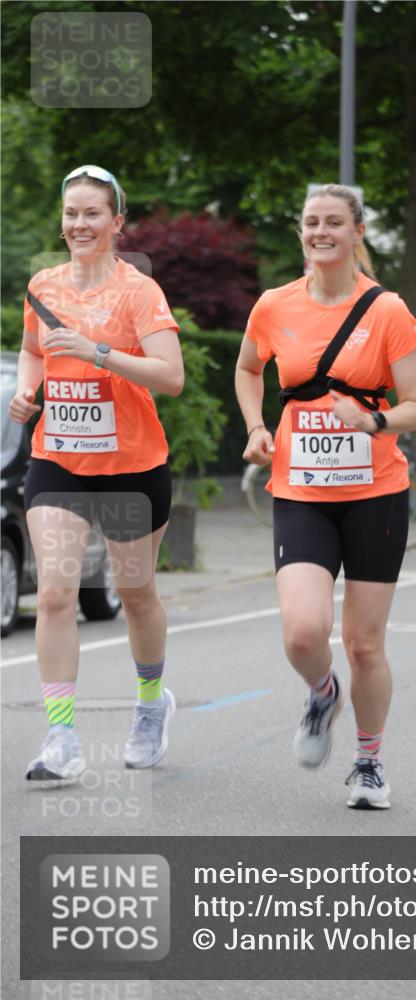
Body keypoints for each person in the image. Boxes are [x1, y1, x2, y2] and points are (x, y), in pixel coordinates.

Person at [235, 184, 416, 809]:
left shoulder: (388, 311)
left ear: (357, 232)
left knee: (365, 643)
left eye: (334, 223)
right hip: (301, 491)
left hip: (376, 493)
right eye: (311, 222)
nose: (321, 232)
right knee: (302, 633)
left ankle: (369, 764)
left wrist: (371, 423)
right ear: (301, 233)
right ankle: (322, 695)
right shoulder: (273, 305)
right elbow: (246, 369)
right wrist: (257, 426)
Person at [9, 165, 184, 782]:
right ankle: (61, 737)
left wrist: (99, 353)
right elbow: (33, 349)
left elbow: (172, 376)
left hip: (132, 467)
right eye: (71, 213)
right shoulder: (43, 285)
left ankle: (149, 707)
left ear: (116, 222)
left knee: (136, 596)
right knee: (56, 592)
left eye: (92, 214)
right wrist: (28, 392)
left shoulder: (139, 292)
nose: (79, 224)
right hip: (58, 459)